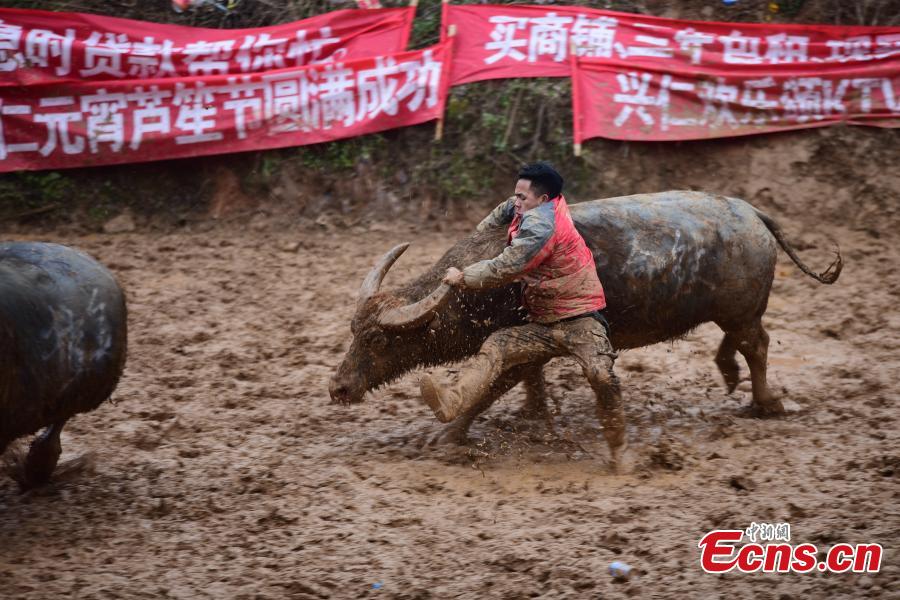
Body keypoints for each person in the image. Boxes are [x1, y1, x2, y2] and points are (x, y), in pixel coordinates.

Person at [419, 162, 626, 467]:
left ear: (543, 200)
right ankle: (452, 401)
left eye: (523, 197)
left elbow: (505, 267)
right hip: (542, 324)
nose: (517, 201)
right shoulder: (540, 202)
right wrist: (479, 236)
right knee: (497, 347)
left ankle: (618, 450)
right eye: (517, 194)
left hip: (580, 320)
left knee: (601, 375)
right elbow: (506, 209)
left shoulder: (541, 227)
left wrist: (462, 276)